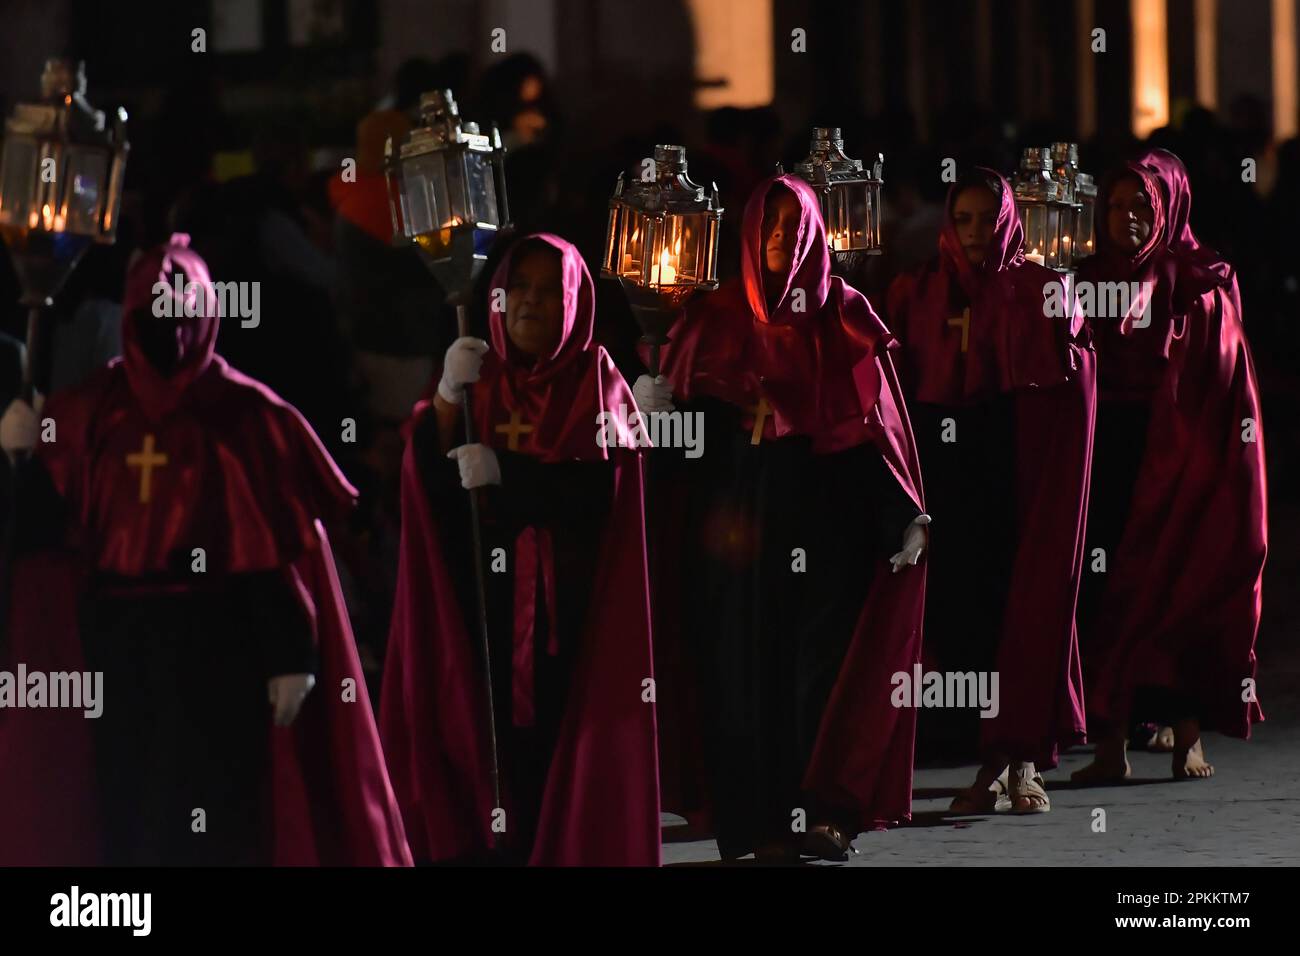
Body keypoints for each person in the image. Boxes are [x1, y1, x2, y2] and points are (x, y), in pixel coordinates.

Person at [0, 235, 411, 866]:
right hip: (117, 645)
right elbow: (43, 543)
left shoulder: (245, 417)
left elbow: (273, 552)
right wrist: (22, 457)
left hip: (218, 648)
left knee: (218, 808)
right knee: (124, 806)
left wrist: (288, 653)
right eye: (150, 316)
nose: (165, 334)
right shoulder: (87, 413)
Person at [638, 174, 928, 863]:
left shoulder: (845, 318)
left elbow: (874, 434)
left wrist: (905, 515)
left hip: (827, 528)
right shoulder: (711, 321)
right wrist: (656, 416)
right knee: (739, 675)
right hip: (732, 534)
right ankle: (751, 825)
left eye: (790, 226)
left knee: (819, 678)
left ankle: (825, 814)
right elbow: (689, 452)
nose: (778, 240)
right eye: (766, 227)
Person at [380, 233, 659, 865]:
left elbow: (602, 493)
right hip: (483, 594)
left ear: (573, 304)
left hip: (568, 609)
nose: (530, 303)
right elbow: (427, 486)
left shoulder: (596, 378)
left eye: (546, 291)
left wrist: (511, 474)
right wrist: (447, 401)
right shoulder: (476, 371)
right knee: (480, 727)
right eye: (519, 289)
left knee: (553, 741)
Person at [886, 169, 1096, 814]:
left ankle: (1020, 762)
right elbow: (893, 385)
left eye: (987, 218)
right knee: (963, 618)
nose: (976, 233)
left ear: (1008, 220)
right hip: (948, 477)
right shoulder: (917, 291)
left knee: (1021, 614)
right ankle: (987, 760)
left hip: (1015, 473)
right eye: (965, 219)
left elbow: (1076, 376)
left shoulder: (1037, 289)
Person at [1072, 149, 1267, 784]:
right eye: (1115, 206)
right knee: (1105, 593)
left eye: (1140, 207)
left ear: (1169, 209)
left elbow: (1218, 384)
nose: (1125, 217)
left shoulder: (1200, 280)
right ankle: (1110, 747)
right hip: (1107, 450)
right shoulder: (1087, 276)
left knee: (1175, 588)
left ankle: (1187, 739)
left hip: (1179, 455)